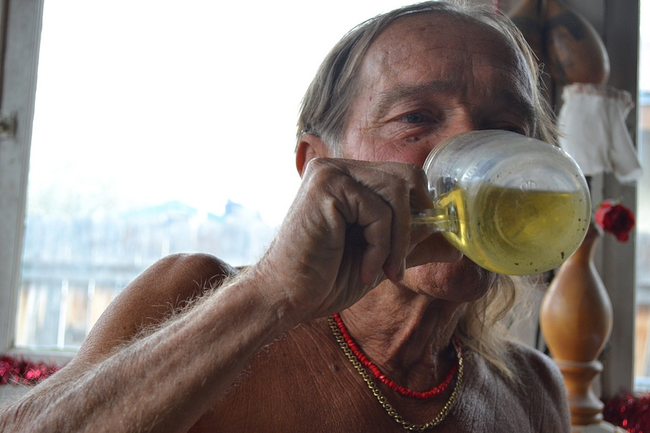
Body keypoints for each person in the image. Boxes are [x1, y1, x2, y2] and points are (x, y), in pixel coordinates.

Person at [0, 1, 570, 432]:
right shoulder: (188, 295)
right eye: (415, 116)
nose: (473, 154)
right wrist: (270, 295)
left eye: (507, 132)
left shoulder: (533, 391)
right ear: (317, 165)